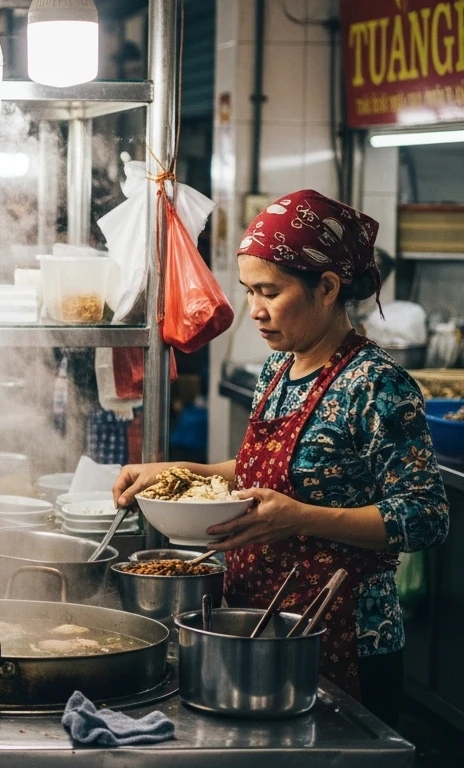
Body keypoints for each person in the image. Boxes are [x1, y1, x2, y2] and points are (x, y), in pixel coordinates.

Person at [112, 190, 449, 726]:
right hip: (258, 615)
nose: (255, 311)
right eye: (248, 291)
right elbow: (262, 469)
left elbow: (427, 516)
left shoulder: (378, 386)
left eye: (269, 292)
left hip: (343, 635)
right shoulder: (278, 369)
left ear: (328, 287)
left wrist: (300, 518)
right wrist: (183, 473)